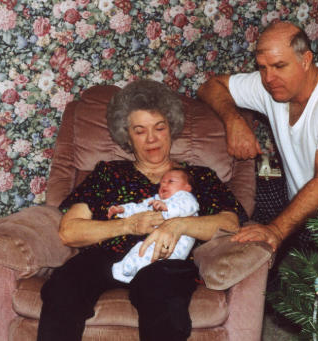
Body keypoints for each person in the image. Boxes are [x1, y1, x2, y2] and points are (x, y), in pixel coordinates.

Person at [36, 79, 247, 341]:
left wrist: (177, 225)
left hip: (166, 261)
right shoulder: (109, 173)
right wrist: (127, 225)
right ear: (127, 135)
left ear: (172, 128)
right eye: (140, 130)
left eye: (160, 127)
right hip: (105, 256)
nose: (151, 139)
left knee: (162, 293)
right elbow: (69, 231)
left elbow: (230, 222)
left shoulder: (197, 177)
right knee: (63, 287)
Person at [197, 21, 318, 252]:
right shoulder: (272, 86)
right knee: (228, 197)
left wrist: (275, 231)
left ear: (305, 60)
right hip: (303, 209)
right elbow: (210, 86)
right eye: (262, 67)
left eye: (279, 66)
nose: (268, 78)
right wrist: (233, 121)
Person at [109, 168, 199, 283]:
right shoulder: (156, 200)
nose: (164, 184)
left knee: (152, 256)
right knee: (141, 249)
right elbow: (140, 208)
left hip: (175, 247)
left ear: (187, 187)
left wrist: (167, 208)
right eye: (162, 182)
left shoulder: (185, 198)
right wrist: (123, 210)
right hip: (155, 241)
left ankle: (133, 271)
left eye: (171, 181)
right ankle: (126, 272)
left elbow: (189, 207)